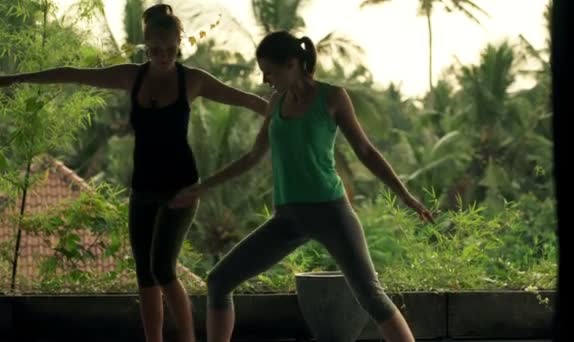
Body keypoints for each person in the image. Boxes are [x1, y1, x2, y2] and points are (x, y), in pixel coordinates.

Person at [0, 4, 267, 342]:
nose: (164, 56)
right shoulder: (132, 76)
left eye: (171, 50)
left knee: (162, 268)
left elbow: (248, 101)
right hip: (143, 188)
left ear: (180, 45)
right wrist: (13, 79)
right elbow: (72, 73)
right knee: (145, 275)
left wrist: (285, 109)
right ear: (146, 46)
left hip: (182, 188)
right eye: (156, 50)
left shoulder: (192, 81)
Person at [170, 30, 434, 342]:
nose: (266, 79)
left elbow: (365, 151)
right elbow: (253, 156)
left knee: (371, 297)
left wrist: (405, 195)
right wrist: (202, 187)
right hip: (287, 219)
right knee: (219, 281)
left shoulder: (332, 97)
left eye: (270, 71)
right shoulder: (276, 104)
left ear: (293, 63)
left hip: (331, 213)